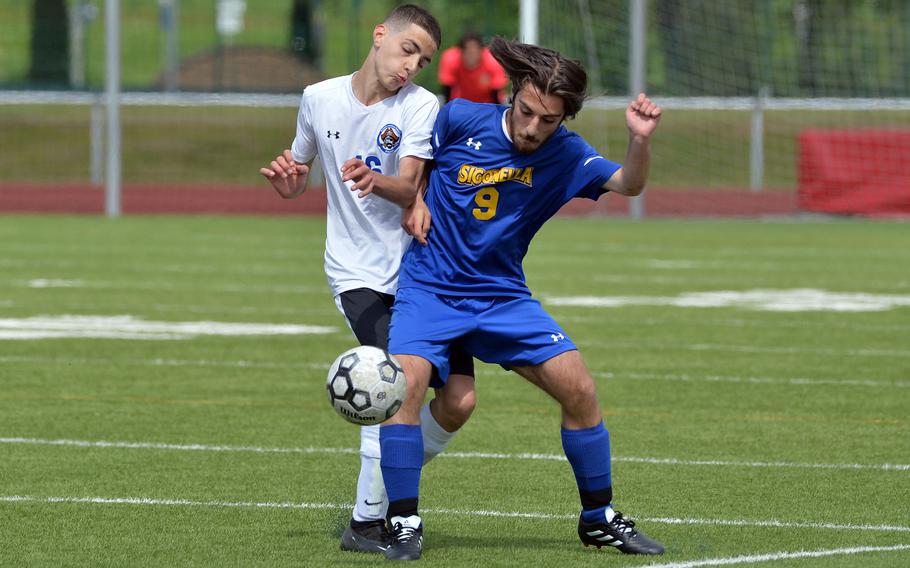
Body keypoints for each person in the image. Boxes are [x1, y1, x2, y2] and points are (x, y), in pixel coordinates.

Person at [379, 37, 665, 561]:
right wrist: (414, 200)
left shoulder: (567, 153)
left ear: (564, 119)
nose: (534, 127)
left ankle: (598, 518)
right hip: (430, 289)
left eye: (548, 120)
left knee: (579, 389)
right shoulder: (460, 118)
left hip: (502, 298)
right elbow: (413, 167)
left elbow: (629, 184)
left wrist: (639, 140)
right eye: (527, 111)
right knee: (405, 388)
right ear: (512, 93)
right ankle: (401, 520)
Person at [259, 4, 476, 555]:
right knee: (393, 386)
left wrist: (374, 181)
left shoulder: (422, 107)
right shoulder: (318, 98)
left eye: (423, 60)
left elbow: (407, 187)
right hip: (355, 272)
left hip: (422, 272)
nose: (412, 66)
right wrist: (290, 185)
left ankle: (386, 470)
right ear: (381, 36)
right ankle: (367, 522)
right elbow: (301, 173)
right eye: (408, 51)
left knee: (458, 401)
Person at [438, 31, 507, 103]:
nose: (471, 55)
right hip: (463, 104)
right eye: (467, 51)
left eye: (475, 51)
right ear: (460, 52)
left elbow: (496, 93)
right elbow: (447, 90)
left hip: (487, 104)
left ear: (481, 51)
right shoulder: (451, 59)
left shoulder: (492, 61)